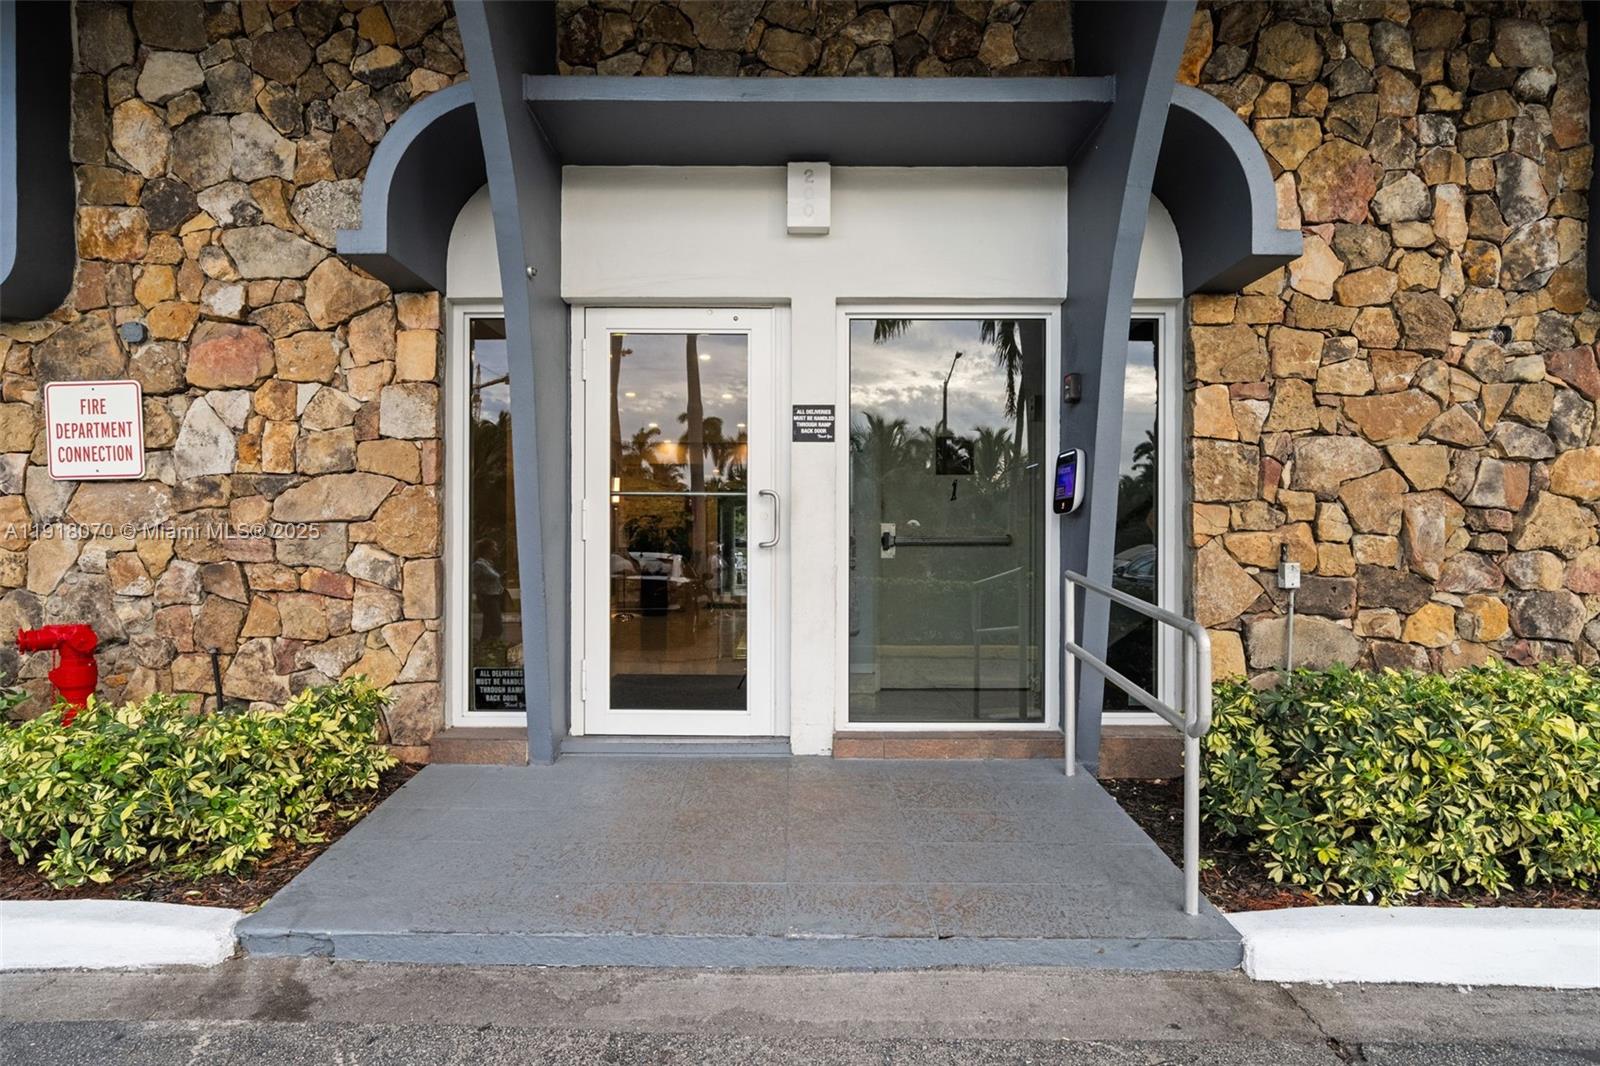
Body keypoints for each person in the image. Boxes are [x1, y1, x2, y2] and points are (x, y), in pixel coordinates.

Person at [471, 538, 505, 642]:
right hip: (487, 598)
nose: (496, 550)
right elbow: (472, 580)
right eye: (494, 548)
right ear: (487, 550)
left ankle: (486, 644)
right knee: (496, 625)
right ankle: (491, 645)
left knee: (488, 625)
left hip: (495, 597)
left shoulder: (489, 564)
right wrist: (479, 593)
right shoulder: (479, 565)